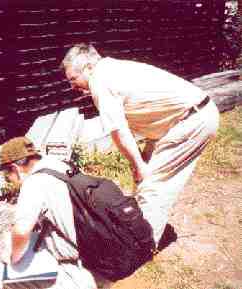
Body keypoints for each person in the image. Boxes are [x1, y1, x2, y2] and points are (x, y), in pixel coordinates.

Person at [61, 43, 220, 243]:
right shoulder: (110, 68)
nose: (73, 87)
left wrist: (139, 167)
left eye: (74, 79)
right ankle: (138, 227)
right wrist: (139, 163)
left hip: (191, 121)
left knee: (154, 182)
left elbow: (118, 131)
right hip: (180, 120)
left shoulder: (100, 81)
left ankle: (143, 246)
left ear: (88, 68)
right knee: (146, 175)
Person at [0, 136, 112, 289]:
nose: (9, 181)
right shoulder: (62, 167)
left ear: (15, 169)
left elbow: (22, 230)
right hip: (102, 263)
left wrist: (11, 257)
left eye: (7, 176)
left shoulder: (33, 182)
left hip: (77, 274)